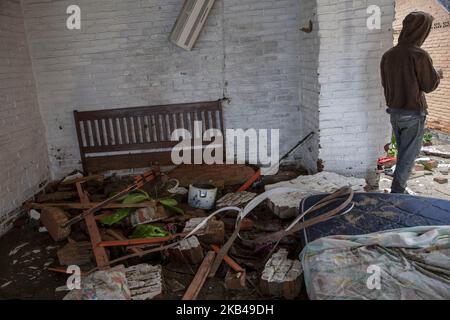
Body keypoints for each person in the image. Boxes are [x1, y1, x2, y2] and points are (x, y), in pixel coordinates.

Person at [381, 11, 443, 194]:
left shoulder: (388, 55)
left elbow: (386, 83)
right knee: (409, 155)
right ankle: (397, 191)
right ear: (421, 30)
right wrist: (437, 74)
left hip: (394, 112)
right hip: (413, 113)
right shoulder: (419, 54)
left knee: (403, 152)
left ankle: (399, 186)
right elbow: (429, 85)